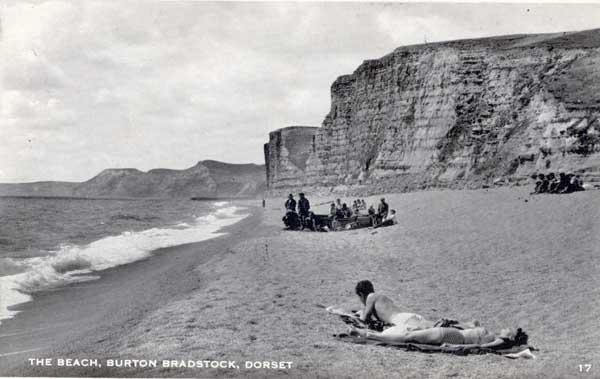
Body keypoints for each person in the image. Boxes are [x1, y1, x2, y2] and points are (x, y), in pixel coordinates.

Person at [354, 280, 434, 333]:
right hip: (406, 316)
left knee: (429, 329)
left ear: (361, 294)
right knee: (431, 326)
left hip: (400, 320)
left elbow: (363, 319)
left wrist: (360, 314)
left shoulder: (370, 297)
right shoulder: (381, 297)